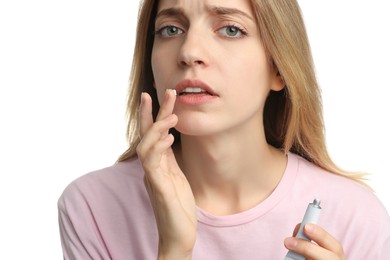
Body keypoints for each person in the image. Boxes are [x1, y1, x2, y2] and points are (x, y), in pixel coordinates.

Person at [58, 0, 390, 259]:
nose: (189, 53)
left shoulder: (355, 216)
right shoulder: (93, 206)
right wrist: (174, 251)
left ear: (279, 67)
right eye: (170, 30)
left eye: (230, 29)